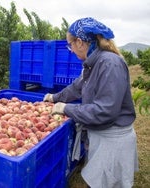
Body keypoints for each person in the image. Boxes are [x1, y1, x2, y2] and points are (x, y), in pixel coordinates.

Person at [43, 17, 138, 187]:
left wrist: (66, 108)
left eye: (70, 45)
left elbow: (105, 111)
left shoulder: (109, 64)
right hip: (101, 135)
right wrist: (54, 98)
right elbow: (76, 88)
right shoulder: (93, 63)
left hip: (112, 140)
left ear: (79, 42)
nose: (70, 50)